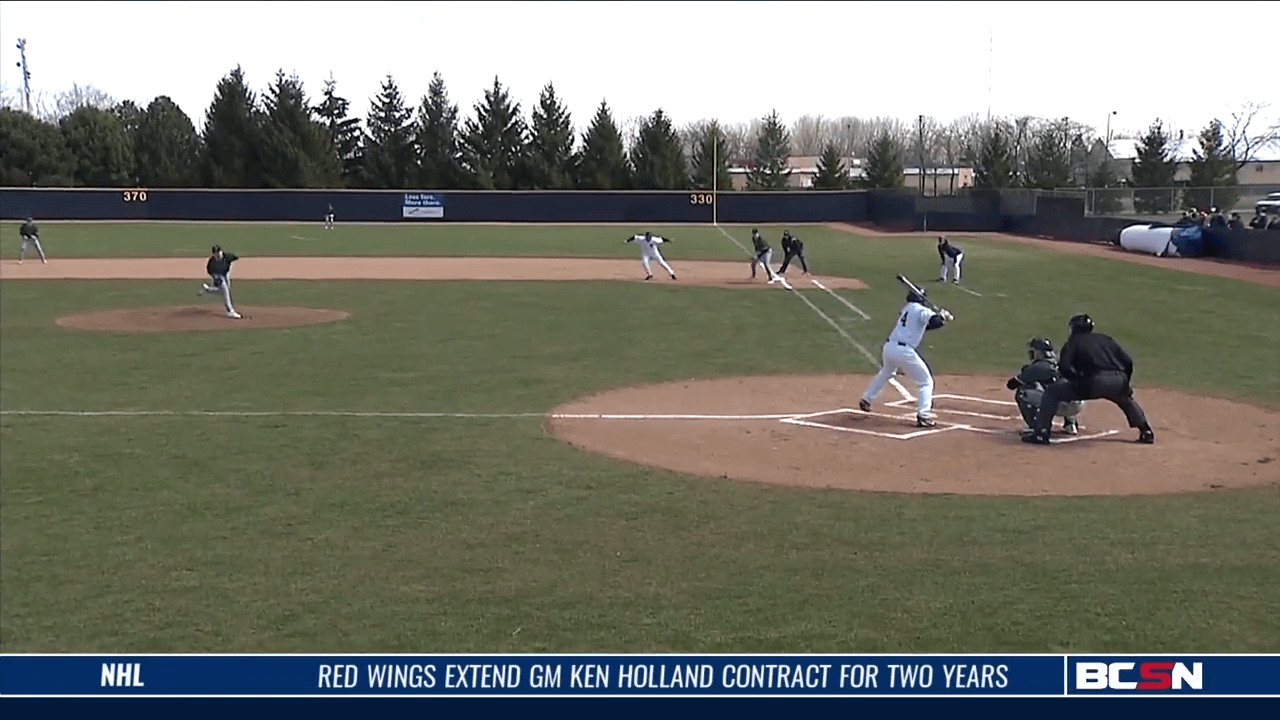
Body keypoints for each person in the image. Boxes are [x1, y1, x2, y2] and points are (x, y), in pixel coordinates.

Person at [1023, 314, 1154, 445]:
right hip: (1118, 379)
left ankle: (1041, 433)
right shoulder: (1106, 339)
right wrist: (1125, 383)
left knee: (1052, 392)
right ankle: (1146, 431)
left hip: (1093, 381)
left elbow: (1064, 367)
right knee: (1126, 400)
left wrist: (1076, 381)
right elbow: (1128, 362)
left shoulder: (1073, 342)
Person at [858, 285, 953, 428]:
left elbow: (925, 326)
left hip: (889, 348)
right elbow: (933, 321)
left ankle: (867, 399)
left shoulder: (907, 309)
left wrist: (940, 319)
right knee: (926, 382)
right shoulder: (921, 310)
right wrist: (940, 317)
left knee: (886, 372)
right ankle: (924, 415)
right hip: (904, 351)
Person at [1006, 337, 1083, 436]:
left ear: (1038, 352)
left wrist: (1027, 374)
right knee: (1063, 387)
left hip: (1058, 406)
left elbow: (1012, 385)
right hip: (1078, 404)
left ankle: (1032, 427)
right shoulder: (1063, 361)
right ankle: (1070, 424)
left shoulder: (1038, 366)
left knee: (1023, 392)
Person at [198, 245, 242, 319]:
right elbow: (210, 271)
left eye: (218, 252)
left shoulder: (227, 256)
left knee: (225, 290)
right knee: (225, 290)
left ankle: (208, 290)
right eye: (215, 253)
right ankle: (230, 311)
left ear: (221, 251)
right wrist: (215, 278)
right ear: (212, 254)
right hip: (217, 276)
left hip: (225, 274)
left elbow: (235, 258)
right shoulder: (212, 262)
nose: (217, 255)